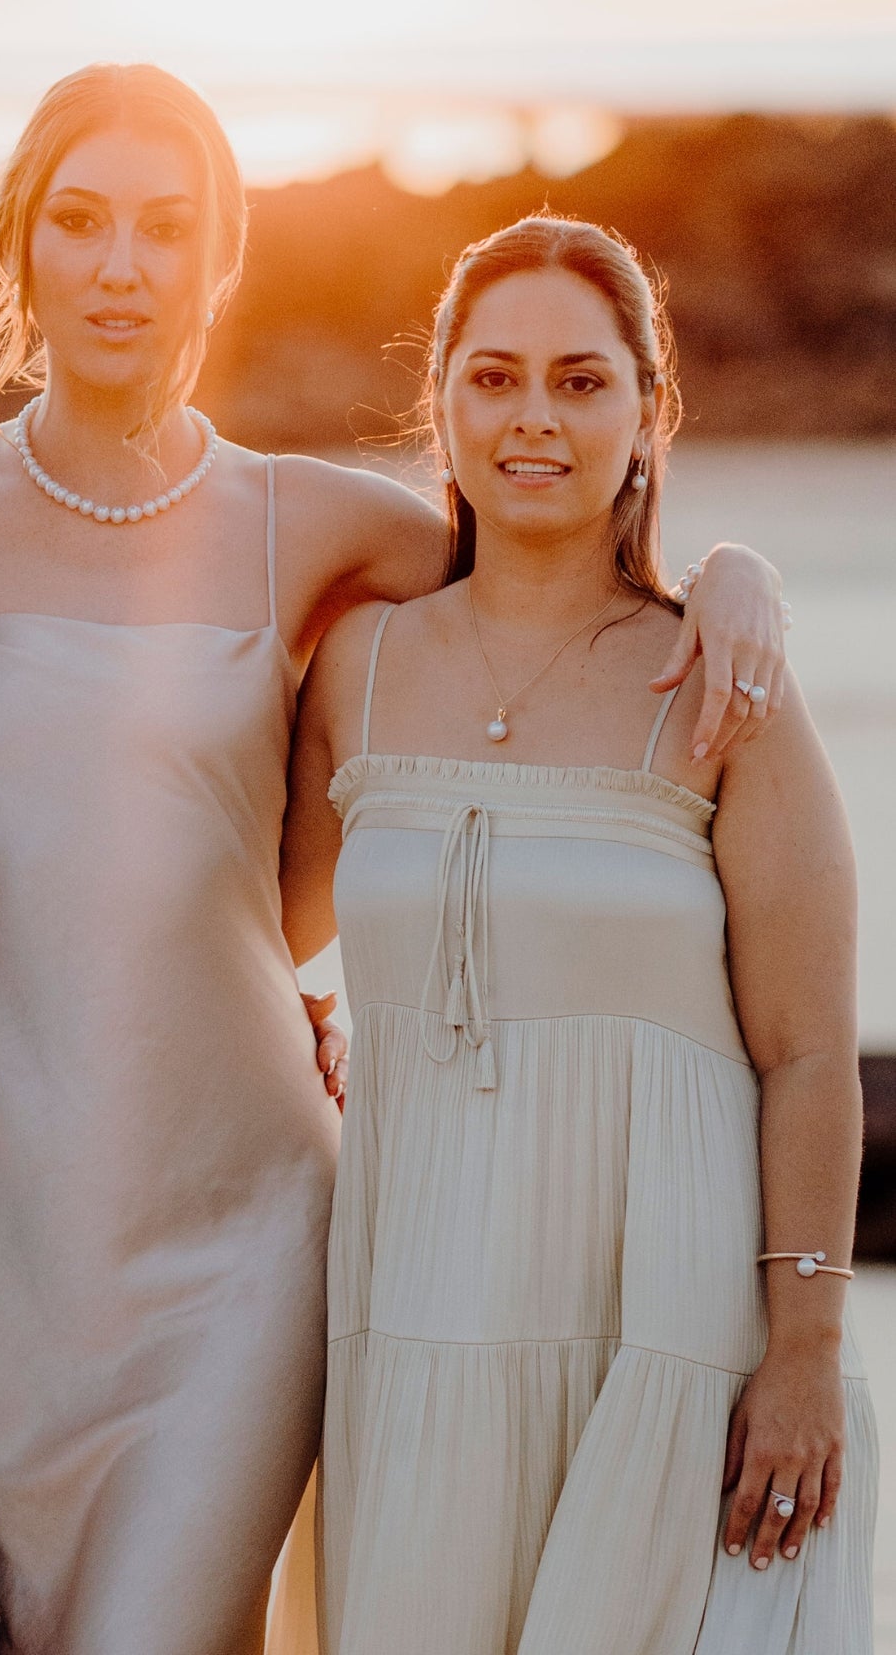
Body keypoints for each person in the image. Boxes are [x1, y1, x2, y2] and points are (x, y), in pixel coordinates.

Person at [0, 68, 788, 1655]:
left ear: (220, 259)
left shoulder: (305, 522)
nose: (123, 266)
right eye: (83, 223)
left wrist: (727, 573)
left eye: (168, 229)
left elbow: (558, 525)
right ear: (21, 250)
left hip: (239, 1238)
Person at [280, 214, 876, 1654]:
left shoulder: (726, 682)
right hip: (417, 1313)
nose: (533, 419)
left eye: (580, 380)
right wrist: (286, 1017)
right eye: (492, 379)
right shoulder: (355, 667)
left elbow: (807, 1053)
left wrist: (803, 1352)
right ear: (442, 403)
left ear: (648, 411)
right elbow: (252, 927)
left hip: (668, 1332)